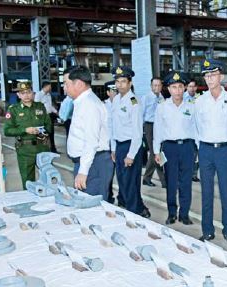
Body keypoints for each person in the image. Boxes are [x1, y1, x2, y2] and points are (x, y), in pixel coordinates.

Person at [194, 59, 227, 244]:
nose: (209, 78)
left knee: (226, 192)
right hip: (205, 150)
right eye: (206, 75)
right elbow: (196, 127)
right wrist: (200, 149)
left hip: (224, 151)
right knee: (206, 193)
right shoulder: (200, 101)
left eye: (213, 74)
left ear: (221, 76)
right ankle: (207, 231)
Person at [63, 65, 114, 198]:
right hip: (88, 162)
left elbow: (91, 141)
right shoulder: (82, 102)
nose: (64, 88)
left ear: (79, 84)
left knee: (92, 206)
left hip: (93, 164)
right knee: (85, 203)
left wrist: (83, 171)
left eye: (66, 84)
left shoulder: (89, 105)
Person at [154, 70, 197, 225]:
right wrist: (156, 151)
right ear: (168, 89)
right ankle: (171, 213)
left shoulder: (192, 106)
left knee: (186, 182)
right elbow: (157, 130)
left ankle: (184, 214)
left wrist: (198, 150)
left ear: (184, 88)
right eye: (174, 87)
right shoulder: (162, 107)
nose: (177, 90)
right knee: (171, 182)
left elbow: (196, 129)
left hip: (187, 147)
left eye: (180, 87)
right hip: (169, 148)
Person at [109, 66, 150, 218]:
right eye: (117, 81)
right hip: (119, 146)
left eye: (123, 81)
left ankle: (133, 213)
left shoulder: (134, 102)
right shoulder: (116, 100)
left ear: (130, 83)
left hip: (131, 146)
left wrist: (131, 155)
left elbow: (137, 132)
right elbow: (113, 126)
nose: (119, 85)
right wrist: (113, 148)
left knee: (131, 182)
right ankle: (137, 207)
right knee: (122, 180)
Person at [3, 81, 52, 187]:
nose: (26, 95)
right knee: (28, 183)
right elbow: (7, 131)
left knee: (49, 179)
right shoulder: (13, 110)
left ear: (33, 93)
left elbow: (49, 126)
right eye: (23, 93)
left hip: (42, 147)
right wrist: (25, 130)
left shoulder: (40, 107)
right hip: (25, 151)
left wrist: (42, 131)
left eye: (28, 92)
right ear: (18, 95)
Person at [142, 77, 166, 188]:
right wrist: (142, 130)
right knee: (154, 153)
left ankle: (146, 178)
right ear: (151, 86)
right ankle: (164, 180)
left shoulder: (161, 97)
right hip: (149, 126)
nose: (157, 87)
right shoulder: (146, 98)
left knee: (157, 152)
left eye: (159, 85)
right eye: (155, 85)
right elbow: (141, 114)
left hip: (160, 126)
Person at [34, 80, 58, 153]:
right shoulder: (38, 95)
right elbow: (36, 107)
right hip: (42, 117)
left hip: (50, 116)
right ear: (45, 86)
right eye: (49, 86)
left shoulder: (48, 95)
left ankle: (53, 149)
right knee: (43, 133)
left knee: (51, 133)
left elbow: (50, 106)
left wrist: (56, 112)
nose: (50, 88)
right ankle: (43, 150)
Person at [184, 79, 201, 182]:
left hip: (197, 130)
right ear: (187, 87)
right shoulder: (182, 98)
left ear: (196, 87)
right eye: (190, 86)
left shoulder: (199, 98)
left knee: (196, 154)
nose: (192, 89)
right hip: (186, 130)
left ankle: (194, 174)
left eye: (193, 86)